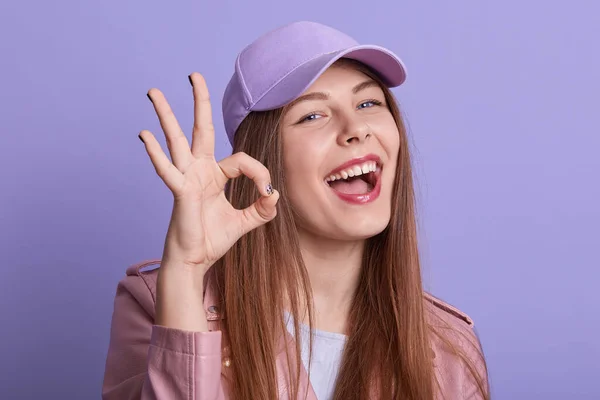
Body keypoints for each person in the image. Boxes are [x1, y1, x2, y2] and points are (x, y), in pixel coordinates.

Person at [102, 21, 490, 400]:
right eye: (312, 115)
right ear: (259, 162)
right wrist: (185, 274)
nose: (356, 127)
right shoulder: (157, 303)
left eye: (369, 102)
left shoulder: (449, 346)